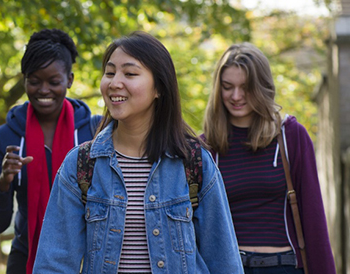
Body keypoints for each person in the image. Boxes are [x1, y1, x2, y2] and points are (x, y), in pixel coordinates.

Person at [33, 31, 243, 273]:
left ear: (159, 88)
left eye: (130, 73)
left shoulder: (194, 162)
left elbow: (224, 261)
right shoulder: (81, 164)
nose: (114, 83)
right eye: (110, 73)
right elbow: (54, 264)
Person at [202, 43, 335, 273]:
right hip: (227, 267)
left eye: (246, 87)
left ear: (262, 86)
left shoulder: (291, 136)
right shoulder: (205, 147)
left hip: (282, 265)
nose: (236, 96)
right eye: (227, 86)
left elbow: (314, 219)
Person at [0, 29, 101, 274]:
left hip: (88, 261)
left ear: (69, 79)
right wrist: (4, 181)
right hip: (26, 260)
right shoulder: (6, 138)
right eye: (34, 81)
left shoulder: (96, 132)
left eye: (53, 82)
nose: (43, 90)